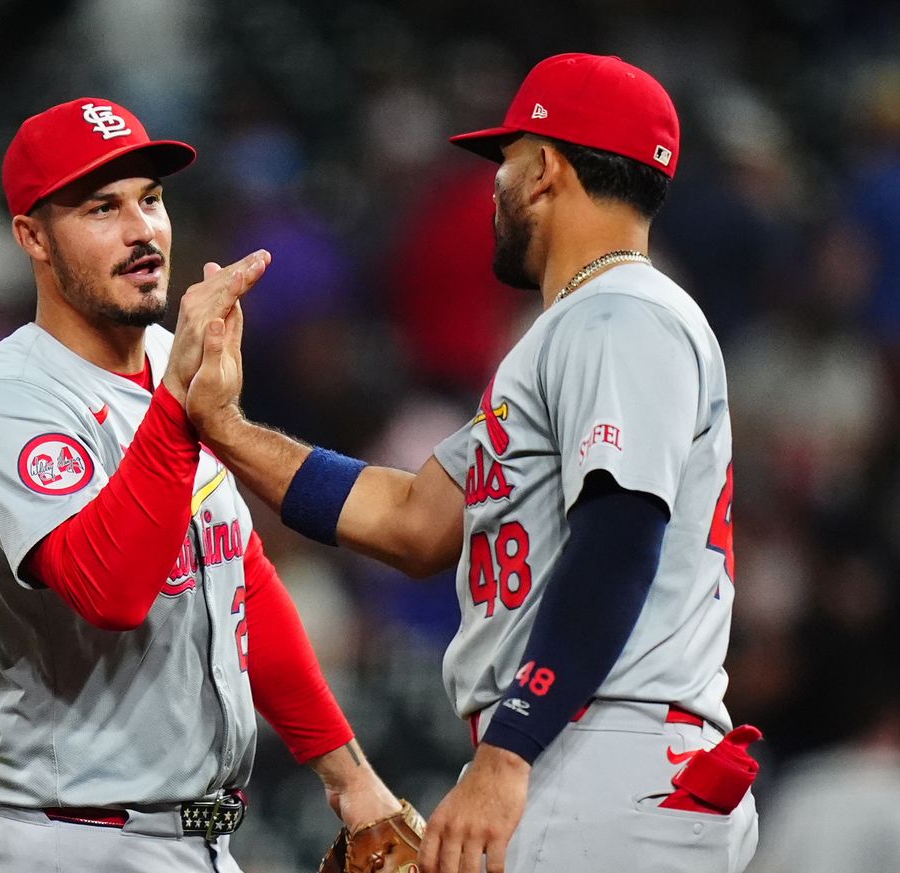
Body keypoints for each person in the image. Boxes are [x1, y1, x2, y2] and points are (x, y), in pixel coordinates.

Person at [181, 54, 759, 873]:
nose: (495, 185)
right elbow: (414, 519)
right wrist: (222, 427)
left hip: (601, 742)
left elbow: (621, 535)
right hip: (581, 743)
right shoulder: (571, 333)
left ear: (547, 170)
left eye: (507, 160)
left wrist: (510, 749)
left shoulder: (622, 313)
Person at [0, 97, 401, 873]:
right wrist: (182, 402)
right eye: (101, 207)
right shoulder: (5, 401)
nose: (141, 229)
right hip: (69, 841)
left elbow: (240, 577)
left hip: (195, 839)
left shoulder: (168, 359)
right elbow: (111, 592)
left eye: (150, 199)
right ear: (33, 237)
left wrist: (350, 779)